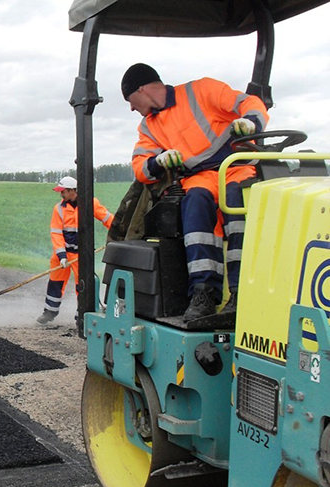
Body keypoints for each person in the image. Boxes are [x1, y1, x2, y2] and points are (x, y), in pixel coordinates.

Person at [121, 63, 269, 321]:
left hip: (237, 166)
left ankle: (241, 293)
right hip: (200, 177)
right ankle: (204, 294)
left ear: (141, 89)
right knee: (195, 203)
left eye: (130, 100)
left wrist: (250, 121)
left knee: (238, 200)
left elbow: (249, 102)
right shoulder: (149, 127)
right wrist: (159, 161)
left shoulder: (201, 90)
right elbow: (140, 168)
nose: (132, 108)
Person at [36, 176, 114, 325]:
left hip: (82, 256)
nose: (61, 195)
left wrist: (120, 233)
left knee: (82, 286)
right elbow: (56, 233)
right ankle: (49, 312)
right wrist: (61, 255)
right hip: (63, 255)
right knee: (55, 283)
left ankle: (82, 317)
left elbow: (108, 219)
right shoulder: (58, 208)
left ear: (72, 191)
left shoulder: (90, 203)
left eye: (63, 191)